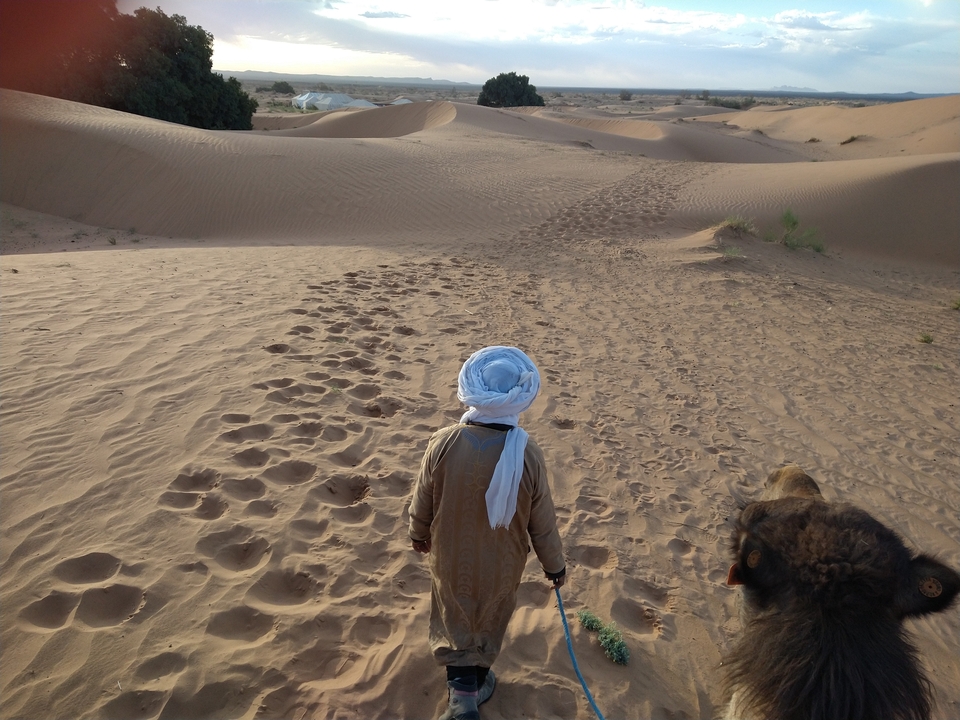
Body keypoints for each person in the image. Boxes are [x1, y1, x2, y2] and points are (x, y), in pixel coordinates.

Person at [408, 345, 566, 720]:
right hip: (503, 561)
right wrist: (554, 566)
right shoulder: (528, 453)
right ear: (517, 400)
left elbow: (422, 499)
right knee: (490, 616)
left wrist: (418, 533)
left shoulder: (443, 441)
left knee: (454, 613)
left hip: (449, 556)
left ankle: (462, 692)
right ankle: (471, 689)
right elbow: (542, 522)